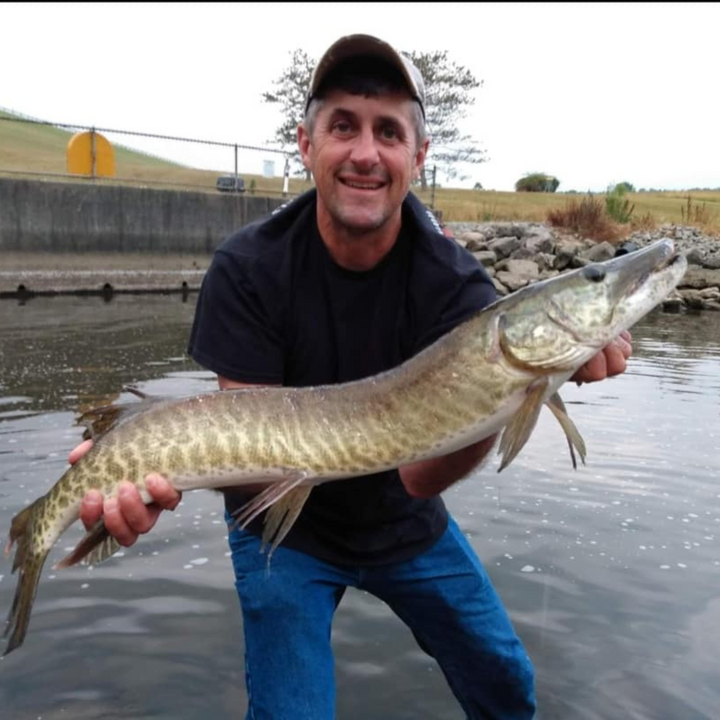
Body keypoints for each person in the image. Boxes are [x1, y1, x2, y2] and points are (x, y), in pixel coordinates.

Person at [72, 34, 632, 719]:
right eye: (343, 126)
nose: (365, 152)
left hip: (404, 523)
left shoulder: (457, 288)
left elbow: (418, 479)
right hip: (282, 533)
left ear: (418, 157)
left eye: (389, 131)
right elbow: (250, 445)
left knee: (505, 680)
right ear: (306, 146)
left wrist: (513, 389)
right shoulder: (248, 268)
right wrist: (157, 473)